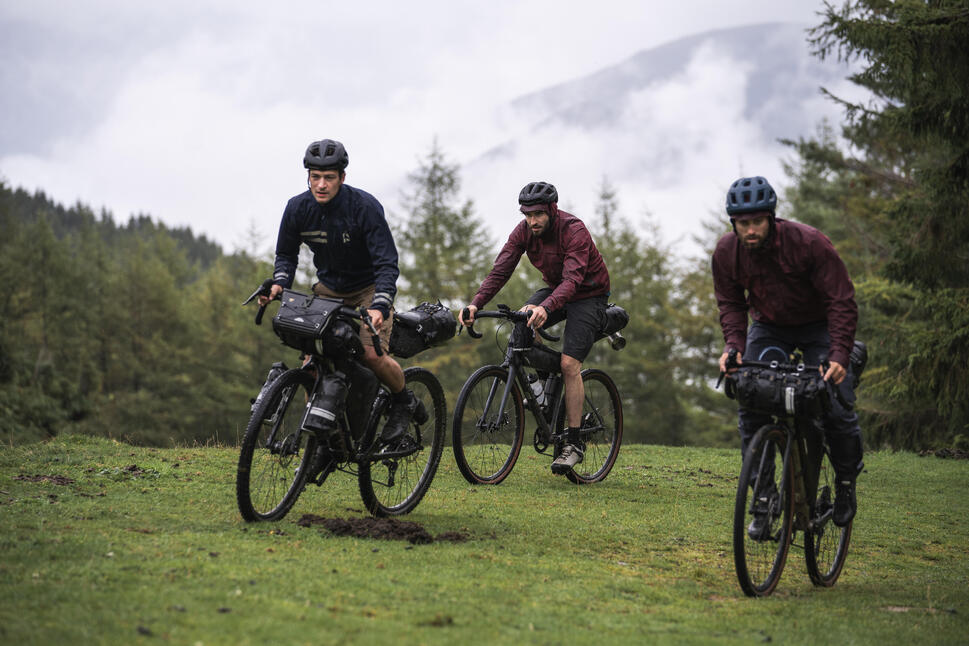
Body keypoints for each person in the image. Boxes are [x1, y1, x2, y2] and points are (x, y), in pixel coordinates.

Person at [711, 175, 864, 530]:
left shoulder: (809, 243)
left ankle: (844, 483)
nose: (750, 230)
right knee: (751, 399)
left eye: (757, 222)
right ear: (734, 223)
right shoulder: (726, 252)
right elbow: (731, 304)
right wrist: (733, 347)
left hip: (819, 326)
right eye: (743, 224)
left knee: (835, 406)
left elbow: (841, 300)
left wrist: (840, 353)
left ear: (771, 218)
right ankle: (764, 496)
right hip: (770, 326)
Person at [259, 138, 418, 449]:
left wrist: (381, 304)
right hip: (328, 291)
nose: (321, 184)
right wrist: (279, 282)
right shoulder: (297, 208)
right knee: (312, 360)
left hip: (368, 290)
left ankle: (404, 400)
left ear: (342, 178)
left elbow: (387, 262)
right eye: (314, 176)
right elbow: (286, 255)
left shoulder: (364, 207)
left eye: (329, 177)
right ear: (307, 176)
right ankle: (324, 438)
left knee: (371, 355)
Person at [459, 181, 611, 475]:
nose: (532, 221)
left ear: (552, 210)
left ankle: (575, 441)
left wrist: (547, 306)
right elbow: (501, 268)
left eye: (538, 214)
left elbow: (574, 279)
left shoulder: (574, 230)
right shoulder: (523, 231)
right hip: (557, 289)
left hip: (588, 294)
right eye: (527, 214)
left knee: (569, 364)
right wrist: (476, 303)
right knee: (521, 324)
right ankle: (542, 391)